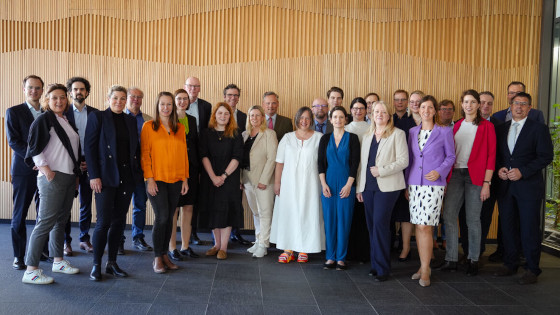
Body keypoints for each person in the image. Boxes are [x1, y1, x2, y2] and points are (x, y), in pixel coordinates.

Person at [21, 83, 81, 284]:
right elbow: (33, 147)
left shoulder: (65, 120)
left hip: (68, 176)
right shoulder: (44, 119)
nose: (59, 101)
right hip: (52, 177)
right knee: (44, 222)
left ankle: (58, 261)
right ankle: (31, 269)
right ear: (47, 99)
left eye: (63, 97)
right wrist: (46, 169)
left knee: (60, 221)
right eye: (54, 97)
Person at [85, 85, 144, 281]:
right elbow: (90, 148)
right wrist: (93, 176)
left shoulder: (129, 120)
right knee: (103, 222)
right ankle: (96, 265)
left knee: (119, 221)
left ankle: (112, 263)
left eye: (122, 98)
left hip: (126, 178)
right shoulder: (98, 117)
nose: (119, 101)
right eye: (115, 98)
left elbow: (135, 149)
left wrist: (137, 174)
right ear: (108, 98)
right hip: (104, 177)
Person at [493, 92, 553, 285]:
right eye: (516, 103)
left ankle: (532, 268)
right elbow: (497, 156)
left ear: (529, 108)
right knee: (508, 226)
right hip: (506, 186)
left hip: (528, 187)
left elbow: (545, 156)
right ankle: (510, 264)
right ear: (510, 105)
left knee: (529, 228)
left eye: (523, 104)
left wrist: (523, 171)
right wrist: (499, 169)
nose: (519, 107)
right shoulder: (501, 129)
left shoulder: (539, 129)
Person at [439, 89, 496, 277]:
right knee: (449, 215)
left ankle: (473, 259)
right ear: (462, 105)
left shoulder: (487, 127)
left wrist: (487, 182)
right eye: (466, 102)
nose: (469, 105)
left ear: (478, 105)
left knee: (473, 219)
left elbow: (491, 156)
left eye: (473, 102)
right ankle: (452, 259)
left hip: (476, 176)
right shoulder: (456, 126)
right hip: (455, 174)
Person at [405, 95, 455, 287]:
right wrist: (407, 185)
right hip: (415, 184)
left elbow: (451, 156)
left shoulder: (444, 131)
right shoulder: (411, 132)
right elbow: (409, 159)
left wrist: (439, 171)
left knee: (426, 226)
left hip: (433, 184)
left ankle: (426, 269)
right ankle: (422, 265)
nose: (425, 110)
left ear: (435, 111)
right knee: (418, 225)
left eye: (429, 107)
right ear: (418, 109)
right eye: (422, 107)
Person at [356, 101, 408, 281]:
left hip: (388, 187)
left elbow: (404, 161)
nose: (379, 114)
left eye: (383, 112)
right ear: (371, 115)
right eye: (376, 111)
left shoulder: (397, 134)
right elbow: (362, 165)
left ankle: (383, 268)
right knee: (372, 226)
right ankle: (375, 264)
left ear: (388, 116)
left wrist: (382, 170)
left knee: (380, 224)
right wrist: (359, 188)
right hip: (368, 187)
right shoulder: (367, 136)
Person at [141, 91, 190, 273]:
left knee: (169, 218)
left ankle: (165, 255)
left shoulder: (179, 128)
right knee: (161, 217)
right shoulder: (148, 126)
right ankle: (157, 258)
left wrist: (185, 178)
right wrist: (150, 179)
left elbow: (184, 155)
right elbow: (145, 155)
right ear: (157, 105)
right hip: (157, 180)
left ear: (173, 107)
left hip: (176, 179)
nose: (166, 107)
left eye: (169, 104)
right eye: (162, 104)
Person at [270, 107, 324, 263]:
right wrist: (277, 183)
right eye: (301, 118)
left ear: (311, 120)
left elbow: (322, 163)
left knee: (308, 213)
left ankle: (304, 248)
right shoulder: (287, 138)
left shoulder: (319, 138)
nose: (304, 121)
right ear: (297, 119)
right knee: (289, 213)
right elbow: (279, 162)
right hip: (289, 185)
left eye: (307, 118)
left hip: (311, 184)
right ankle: (288, 248)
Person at [6, 75, 44, 270]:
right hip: (24, 170)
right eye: (30, 88)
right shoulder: (14, 112)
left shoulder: (47, 113)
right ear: (24, 89)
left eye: (38, 88)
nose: (34, 91)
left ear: (42, 90)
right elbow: (14, 142)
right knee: (20, 214)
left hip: (46, 171)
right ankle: (19, 256)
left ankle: (40, 251)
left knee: (43, 213)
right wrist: (35, 160)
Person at [198, 103, 244, 260]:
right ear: (214, 115)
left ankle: (223, 247)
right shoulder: (206, 133)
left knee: (227, 211)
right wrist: (213, 177)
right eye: (220, 113)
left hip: (229, 179)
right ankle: (216, 245)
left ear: (230, 116)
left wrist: (223, 176)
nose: (223, 116)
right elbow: (203, 155)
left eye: (226, 113)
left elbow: (237, 157)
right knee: (213, 210)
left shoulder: (236, 134)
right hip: (209, 178)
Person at [318, 106, 360, 270]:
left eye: (341, 117)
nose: (338, 120)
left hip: (346, 183)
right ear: (330, 119)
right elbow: (320, 163)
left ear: (346, 119)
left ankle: (341, 258)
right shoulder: (324, 139)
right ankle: (330, 257)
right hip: (328, 183)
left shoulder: (353, 138)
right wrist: (323, 184)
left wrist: (349, 184)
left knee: (344, 220)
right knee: (329, 221)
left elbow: (355, 163)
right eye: (335, 117)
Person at [62, 77, 97, 256]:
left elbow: (99, 141)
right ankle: (65, 242)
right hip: (68, 164)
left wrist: (89, 162)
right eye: (75, 89)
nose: (78, 92)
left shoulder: (95, 114)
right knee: (66, 204)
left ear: (87, 92)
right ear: (70, 92)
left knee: (86, 203)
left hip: (88, 164)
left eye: (82, 89)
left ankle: (84, 238)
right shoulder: (62, 113)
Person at [241, 105, 278, 258]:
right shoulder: (244, 134)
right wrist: (241, 179)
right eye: (251, 115)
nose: (254, 118)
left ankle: (264, 244)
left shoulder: (269, 134)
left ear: (263, 117)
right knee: (256, 213)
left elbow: (272, 158)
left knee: (265, 212)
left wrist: (264, 180)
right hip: (248, 180)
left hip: (264, 181)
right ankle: (258, 240)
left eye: (257, 115)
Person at [167, 89, 199, 261]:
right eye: (178, 99)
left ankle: (185, 246)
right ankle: (172, 247)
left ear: (189, 102)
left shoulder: (192, 120)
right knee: (174, 210)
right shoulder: (169, 120)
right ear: (174, 101)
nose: (182, 102)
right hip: (174, 169)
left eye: (185, 99)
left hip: (191, 169)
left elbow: (194, 144)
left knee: (188, 208)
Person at [122, 87, 153, 253]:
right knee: (120, 206)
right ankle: (118, 239)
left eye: (139, 97)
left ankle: (138, 237)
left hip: (141, 169)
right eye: (132, 96)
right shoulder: (119, 117)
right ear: (127, 98)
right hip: (123, 169)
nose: (136, 100)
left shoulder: (148, 120)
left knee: (140, 204)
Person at [184, 76, 212, 245]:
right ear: (184, 87)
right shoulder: (175, 103)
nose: (193, 89)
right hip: (177, 157)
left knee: (192, 198)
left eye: (196, 86)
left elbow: (206, 132)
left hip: (197, 157)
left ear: (199, 89)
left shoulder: (206, 106)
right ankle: (173, 237)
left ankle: (192, 232)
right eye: (190, 86)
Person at [391, 90, 417, 262]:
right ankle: (391, 242)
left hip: (409, 170)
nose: (400, 103)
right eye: (397, 100)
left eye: (403, 100)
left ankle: (406, 246)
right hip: (390, 172)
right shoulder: (388, 118)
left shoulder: (413, 122)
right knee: (391, 211)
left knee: (406, 212)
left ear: (407, 102)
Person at [345, 97, 371, 262]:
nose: (358, 111)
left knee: (363, 217)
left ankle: (363, 253)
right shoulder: (345, 128)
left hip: (366, 177)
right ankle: (349, 252)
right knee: (349, 216)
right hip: (348, 177)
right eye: (355, 108)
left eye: (361, 108)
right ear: (351, 110)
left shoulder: (371, 128)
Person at [223, 83, 250, 245]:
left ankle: (235, 233)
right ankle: (220, 233)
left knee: (236, 202)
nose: (233, 98)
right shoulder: (217, 114)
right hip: (219, 166)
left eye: (235, 95)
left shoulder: (244, 117)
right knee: (220, 202)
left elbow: (245, 145)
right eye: (229, 95)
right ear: (225, 97)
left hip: (236, 166)